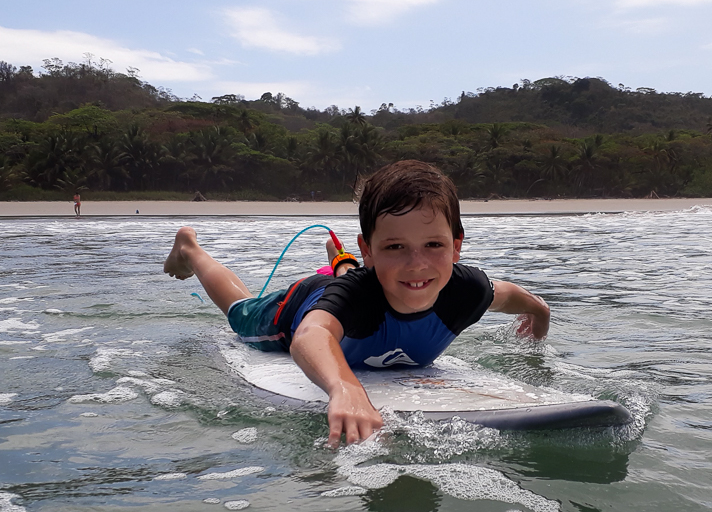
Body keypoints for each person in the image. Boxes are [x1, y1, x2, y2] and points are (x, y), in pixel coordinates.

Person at [163, 160, 550, 447]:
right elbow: (311, 336)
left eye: (433, 244)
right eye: (395, 246)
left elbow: (511, 295)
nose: (418, 263)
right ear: (371, 248)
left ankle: (342, 261)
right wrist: (344, 388)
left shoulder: (468, 291)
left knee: (375, 280)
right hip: (301, 308)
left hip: (359, 282)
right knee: (241, 311)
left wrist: (540, 314)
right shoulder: (355, 299)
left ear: (456, 247)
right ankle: (191, 249)